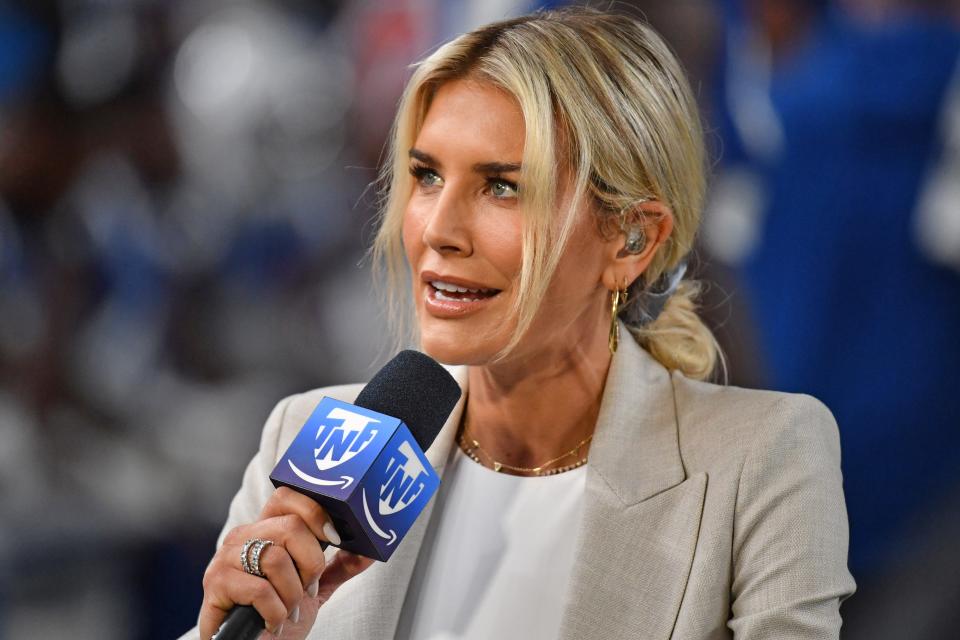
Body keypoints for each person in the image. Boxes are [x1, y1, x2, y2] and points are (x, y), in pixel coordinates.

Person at [182, 8, 855, 640]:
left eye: (503, 186)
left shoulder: (763, 461)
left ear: (629, 240)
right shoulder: (298, 442)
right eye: (426, 176)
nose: (438, 231)